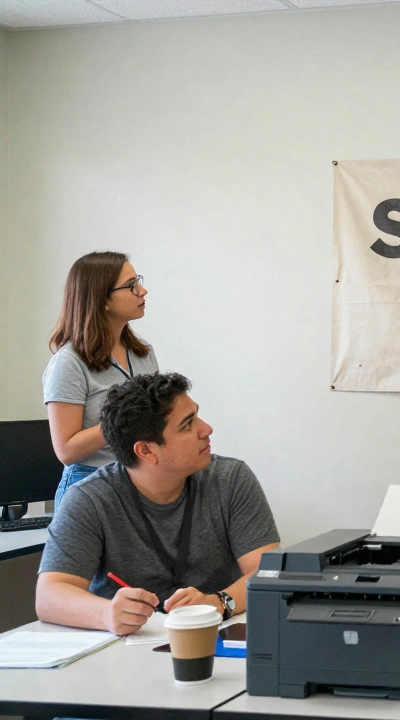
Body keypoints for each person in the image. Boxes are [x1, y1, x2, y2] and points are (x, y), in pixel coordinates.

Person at [36, 372, 280, 636]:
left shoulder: (231, 479)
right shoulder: (90, 498)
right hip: (126, 648)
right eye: (188, 424)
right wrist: (105, 614)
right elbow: (49, 595)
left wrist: (219, 602)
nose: (206, 429)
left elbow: (268, 571)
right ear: (146, 451)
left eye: (197, 414)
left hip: (213, 635)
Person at [44, 251, 159, 508]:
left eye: (138, 281)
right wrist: (124, 419)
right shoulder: (69, 362)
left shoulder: (144, 353)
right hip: (89, 487)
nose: (143, 291)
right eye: (131, 286)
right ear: (102, 299)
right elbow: (67, 451)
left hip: (139, 480)